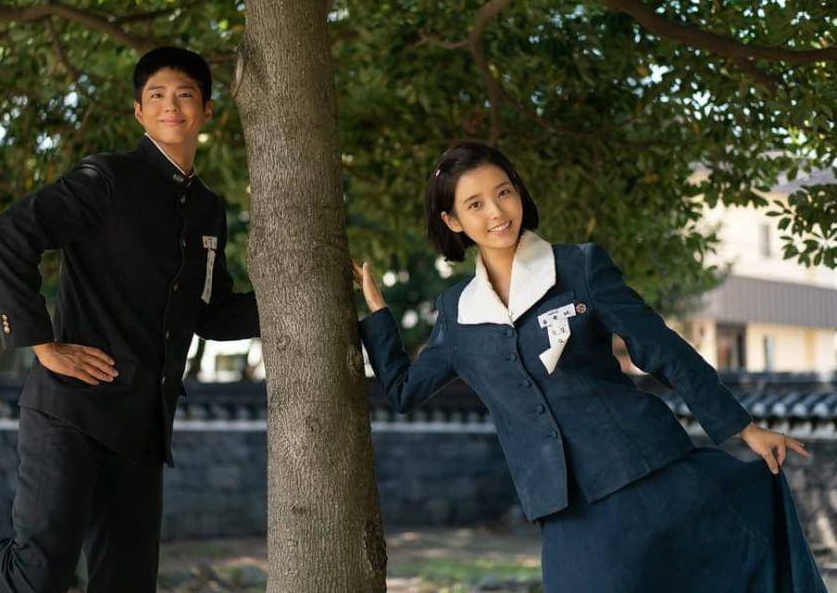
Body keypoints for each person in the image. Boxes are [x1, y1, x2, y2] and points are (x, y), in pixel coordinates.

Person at [0, 46, 259, 593]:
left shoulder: (207, 209)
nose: (171, 106)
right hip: (72, 411)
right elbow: (6, 236)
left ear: (207, 109)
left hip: (142, 428)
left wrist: (318, 308)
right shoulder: (106, 179)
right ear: (138, 110)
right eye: (157, 95)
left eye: (185, 95)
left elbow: (212, 313)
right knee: (39, 576)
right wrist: (43, 344)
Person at [351, 142, 827, 592]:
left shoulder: (579, 267)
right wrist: (378, 316)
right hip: (562, 507)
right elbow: (403, 391)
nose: (496, 212)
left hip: (647, 472)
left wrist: (743, 427)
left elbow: (662, 348)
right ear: (452, 220)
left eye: (503, 192)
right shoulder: (457, 313)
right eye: (475, 204)